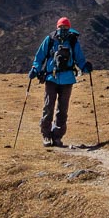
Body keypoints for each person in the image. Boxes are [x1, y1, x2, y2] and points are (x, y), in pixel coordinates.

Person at [29, 17, 93, 147]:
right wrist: (35, 68)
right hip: (52, 78)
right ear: (57, 27)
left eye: (65, 28)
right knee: (48, 107)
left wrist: (85, 66)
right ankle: (47, 135)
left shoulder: (73, 41)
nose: (63, 30)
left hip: (66, 79)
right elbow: (39, 57)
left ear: (69, 28)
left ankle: (57, 136)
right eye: (61, 27)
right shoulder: (50, 40)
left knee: (62, 110)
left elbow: (79, 58)